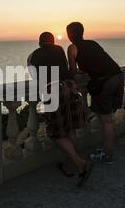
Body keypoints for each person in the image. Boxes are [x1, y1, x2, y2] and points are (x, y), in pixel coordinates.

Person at [28, 32, 93, 187]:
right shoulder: (59, 50)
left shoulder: (34, 55)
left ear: (39, 42)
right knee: (70, 129)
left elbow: (34, 75)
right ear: (52, 41)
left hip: (54, 90)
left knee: (56, 132)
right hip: (70, 87)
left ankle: (80, 164)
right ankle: (69, 166)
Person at [66, 22, 124, 164]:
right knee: (108, 118)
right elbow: (99, 61)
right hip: (117, 76)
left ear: (69, 34)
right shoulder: (93, 43)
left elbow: (72, 72)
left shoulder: (72, 47)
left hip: (104, 82)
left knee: (106, 120)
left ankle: (108, 155)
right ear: (82, 32)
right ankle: (107, 149)